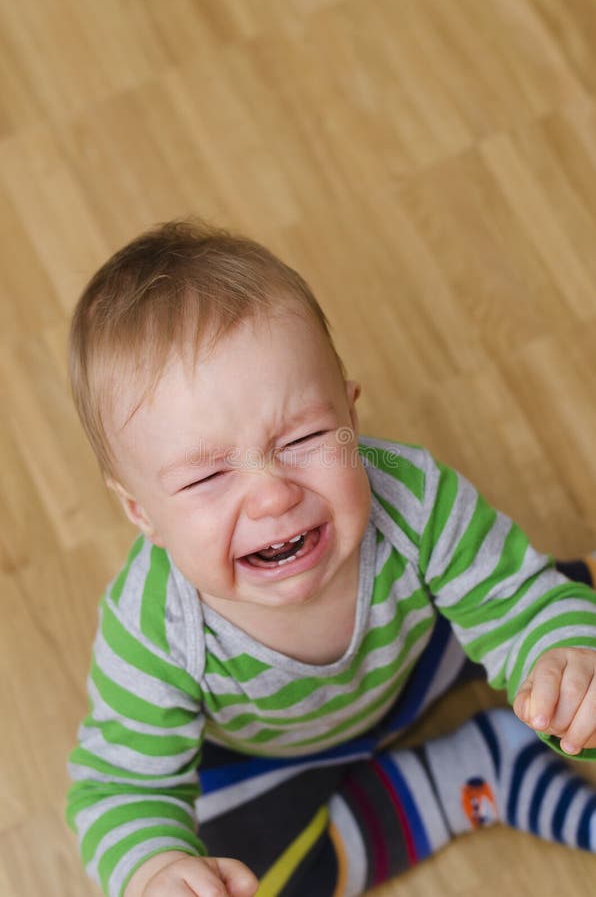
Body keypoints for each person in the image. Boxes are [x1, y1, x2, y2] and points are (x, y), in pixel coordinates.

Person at [66, 218, 596, 897]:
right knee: (251, 877)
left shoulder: (412, 500)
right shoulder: (151, 633)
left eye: (306, 436)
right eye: (206, 478)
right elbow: (120, 787)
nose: (272, 496)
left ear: (350, 412)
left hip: (424, 651)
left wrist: (558, 652)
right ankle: (482, 771)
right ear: (141, 512)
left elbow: (512, 603)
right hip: (270, 751)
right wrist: (154, 871)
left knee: (555, 630)